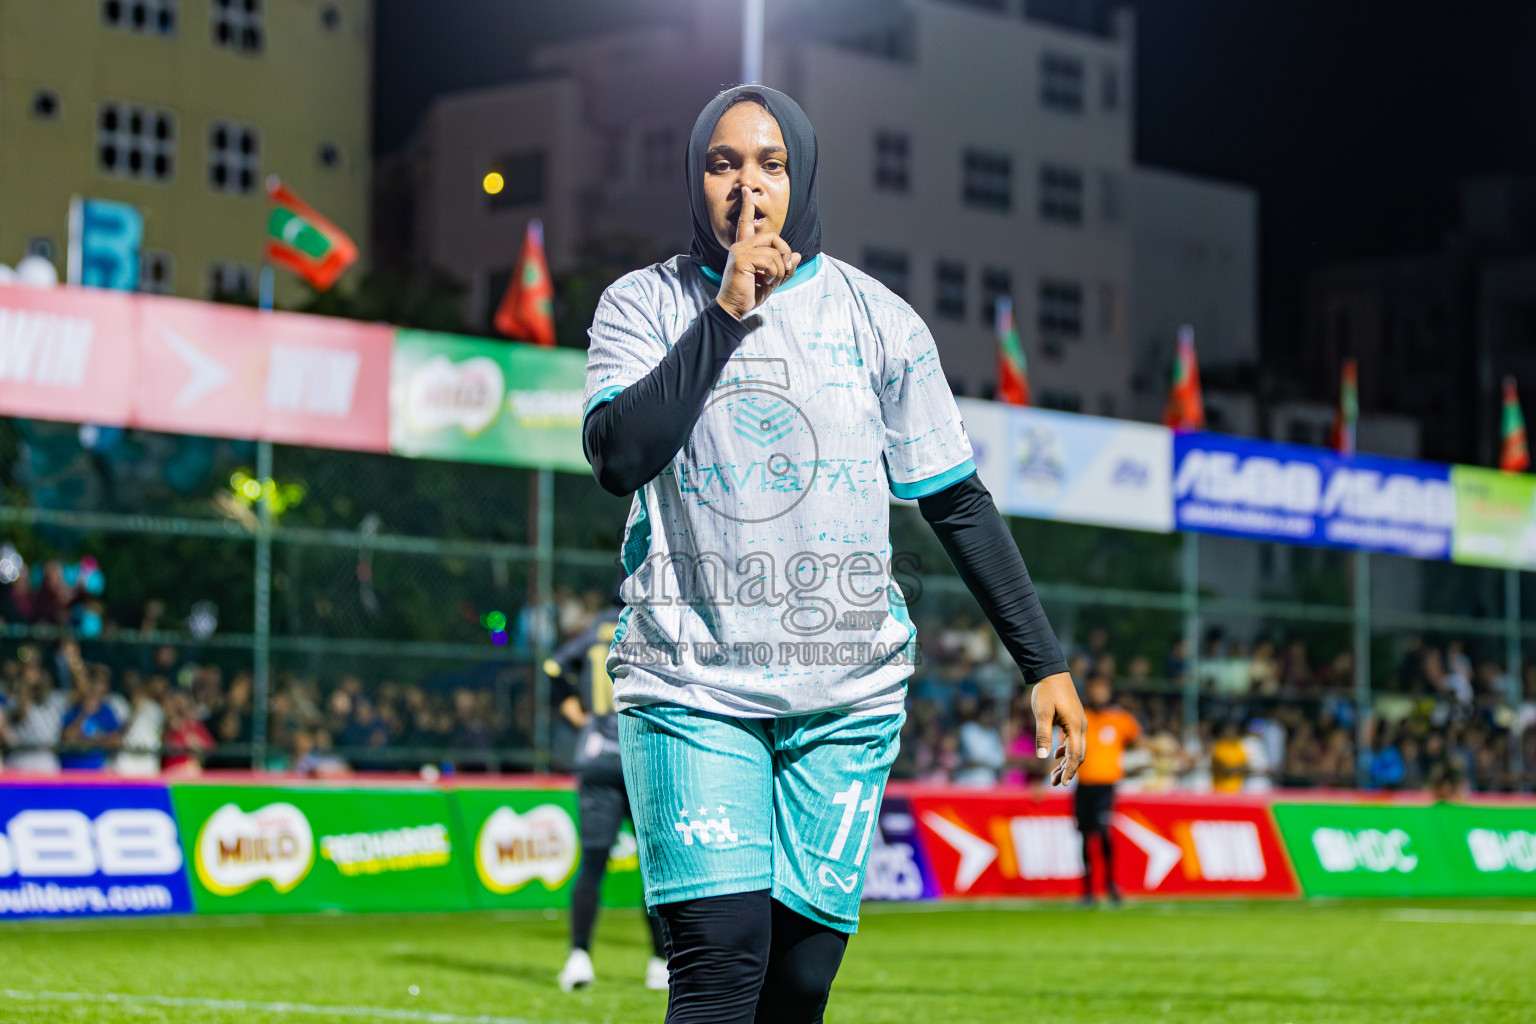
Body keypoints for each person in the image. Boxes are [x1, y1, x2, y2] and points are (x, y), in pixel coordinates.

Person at [581, 84, 1086, 1023]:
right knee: (719, 964)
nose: (748, 186)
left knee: (799, 985)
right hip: (690, 684)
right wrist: (726, 313)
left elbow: (955, 500)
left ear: (802, 175)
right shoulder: (642, 304)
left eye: (770, 164)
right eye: (723, 163)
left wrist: (1044, 663)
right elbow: (619, 457)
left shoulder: (879, 319)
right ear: (695, 179)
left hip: (846, 697)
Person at [549, 598, 669, 993]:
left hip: (597, 754)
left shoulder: (594, 629)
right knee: (655, 866)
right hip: (642, 753)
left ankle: (579, 957)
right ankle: (660, 962)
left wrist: (577, 712)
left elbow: (553, 668)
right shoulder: (654, 621)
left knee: (593, 862)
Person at [1074, 674, 1144, 905]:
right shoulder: (1079, 717)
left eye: (1102, 689)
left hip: (1106, 786)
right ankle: (1088, 890)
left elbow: (1139, 740)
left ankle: (1110, 884)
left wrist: (1162, 748)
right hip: (1084, 785)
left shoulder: (1119, 719)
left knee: (1104, 832)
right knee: (1085, 836)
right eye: (1095, 689)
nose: (1098, 693)